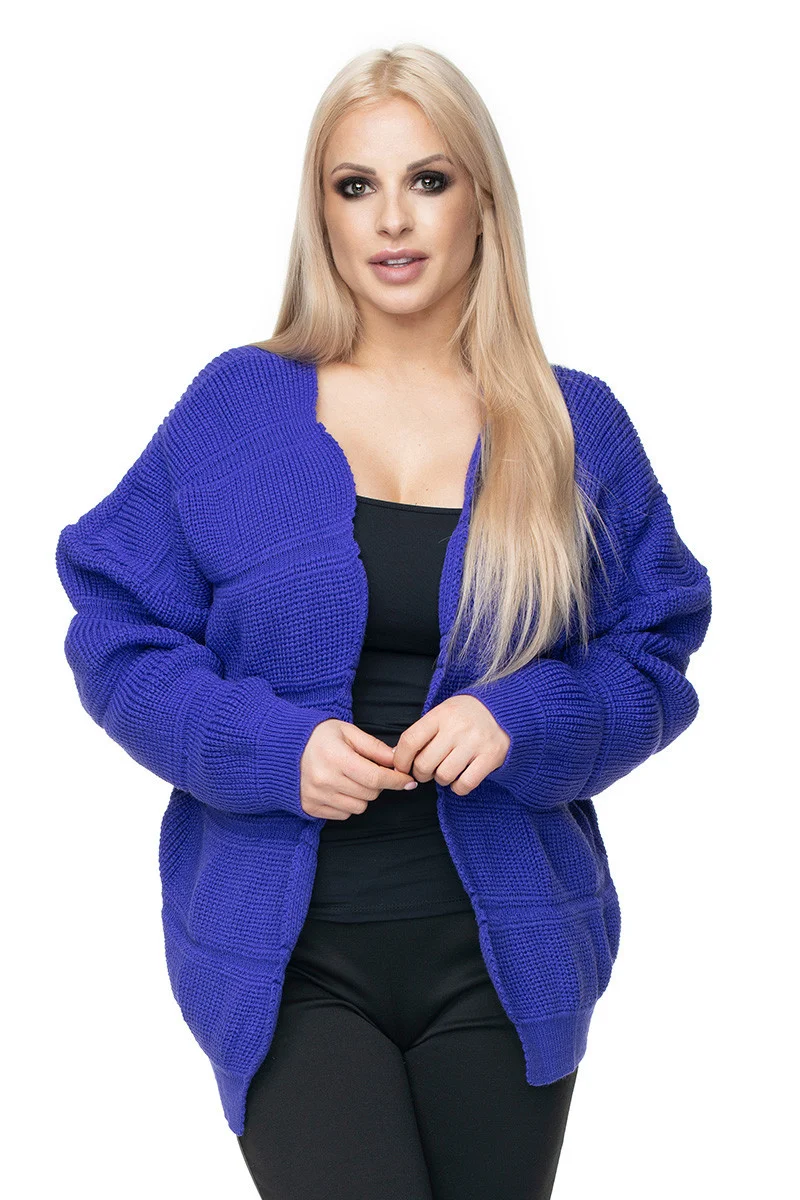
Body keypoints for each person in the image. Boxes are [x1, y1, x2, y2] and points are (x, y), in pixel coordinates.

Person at [54, 43, 712, 1200]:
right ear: (321, 212)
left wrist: (523, 718)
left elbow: (654, 649)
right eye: (354, 185)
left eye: (428, 180)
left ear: (481, 202)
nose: (392, 220)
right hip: (289, 958)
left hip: (505, 961)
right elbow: (117, 631)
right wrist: (271, 748)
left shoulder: (573, 424)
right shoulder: (237, 407)